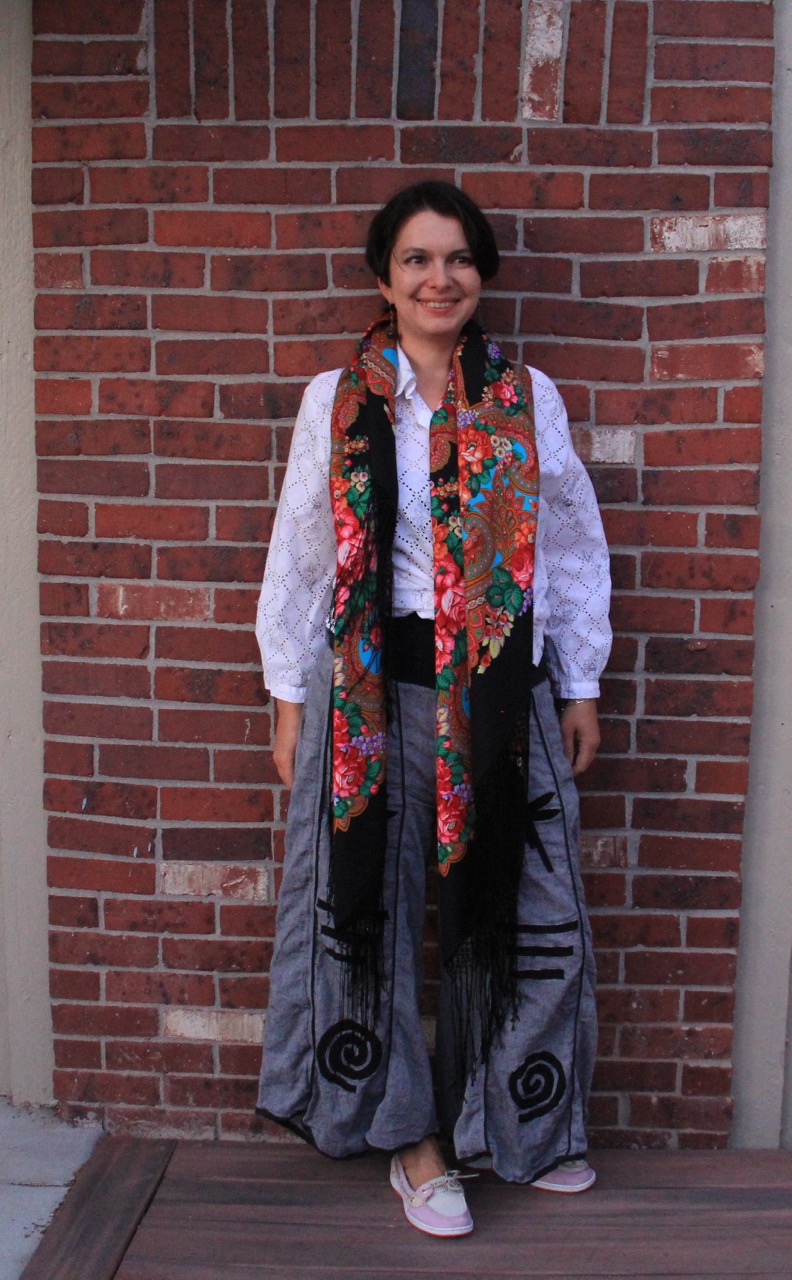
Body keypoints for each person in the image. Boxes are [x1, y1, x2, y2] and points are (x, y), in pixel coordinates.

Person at [255, 181, 611, 1238]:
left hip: (498, 694)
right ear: (384, 277)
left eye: (457, 258)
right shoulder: (336, 400)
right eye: (416, 258)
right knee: (363, 909)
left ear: (480, 272)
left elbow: (571, 543)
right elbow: (302, 550)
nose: (438, 278)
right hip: (370, 697)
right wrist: (288, 697)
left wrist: (580, 682)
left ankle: (515, 1125)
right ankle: (411, 1141)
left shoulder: (525, 396)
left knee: (524, 907)